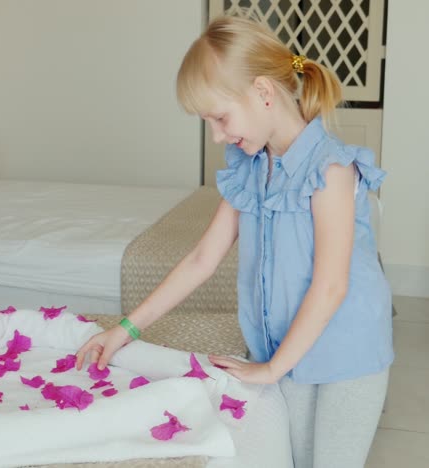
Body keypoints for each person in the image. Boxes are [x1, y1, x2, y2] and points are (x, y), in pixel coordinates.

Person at [76, 15, 394, 468]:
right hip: (286, 347)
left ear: (264, 94)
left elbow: (331, 287)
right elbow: (203, 258)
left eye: (220, 118)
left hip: (347, 352)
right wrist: (127, 328)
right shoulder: (251, 167)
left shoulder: (331, 170)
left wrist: (269, 370)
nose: (217, 135)